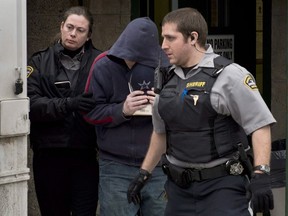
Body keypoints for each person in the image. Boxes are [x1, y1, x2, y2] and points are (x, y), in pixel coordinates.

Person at [127, 7, 276, 216]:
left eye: (171, 38)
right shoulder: (165, 79)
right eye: (163, 38)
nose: (164, 46)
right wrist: (144, 174)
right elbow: (161, 133)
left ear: (193, 38)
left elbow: (259, 124)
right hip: (179, 190)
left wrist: (261, 173)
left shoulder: (229, 75)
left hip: (222, 188)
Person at [84, 17, 168, 216]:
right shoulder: (102, 64)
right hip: (115, 166)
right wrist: (122, 110)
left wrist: (163, 105)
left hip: (157, 164)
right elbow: (88, 112)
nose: (132, 62)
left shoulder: (166, 65)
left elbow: (186, 114)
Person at [27, 6, 101, 216]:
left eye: (80, 30)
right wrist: (69, 104)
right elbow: (31, 105)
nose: (73, 34)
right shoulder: (38, 62)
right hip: (49, 154)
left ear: (88, 36)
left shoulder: (100, 63)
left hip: (85, 155)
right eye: (69, 27)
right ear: (61, 27)